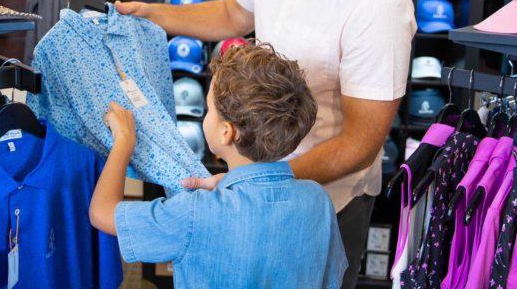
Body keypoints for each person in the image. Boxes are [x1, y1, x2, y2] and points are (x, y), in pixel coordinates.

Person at [116, 0, 416, 288]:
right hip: (254, 185)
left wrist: (258, 183)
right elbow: (234, 13)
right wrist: (153, 14)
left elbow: (361, 143)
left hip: (325, 206)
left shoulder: (376, 0)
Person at [90, 42, 346, 288]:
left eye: (209, 108)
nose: (205, 114)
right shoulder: (318, 201)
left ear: (226, 132)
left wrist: (123, 142)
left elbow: (101, 213)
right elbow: (330, 277)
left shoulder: (194, 213)